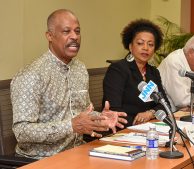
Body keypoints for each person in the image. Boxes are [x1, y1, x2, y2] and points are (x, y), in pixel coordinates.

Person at [11, 9, 127, 159]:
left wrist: (100, 118)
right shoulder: (31, 75)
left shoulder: (80, 68)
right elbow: (21, 132)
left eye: (77, 32)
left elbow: (82, 113)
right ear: (50, 36)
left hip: (78, 152)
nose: (74, 37)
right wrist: (70, 126)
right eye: (66, 31)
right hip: (41, 160)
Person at [102, 19, 170, 127]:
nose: (145, 48)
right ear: (130, 46)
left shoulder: (153, 72)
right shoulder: (118, 70)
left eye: (150, 44)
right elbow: (114, 110)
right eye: (140, 43)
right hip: (124, 128)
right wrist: (137, 123)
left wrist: (150, 113)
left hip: (149, 127)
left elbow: (165, 105)